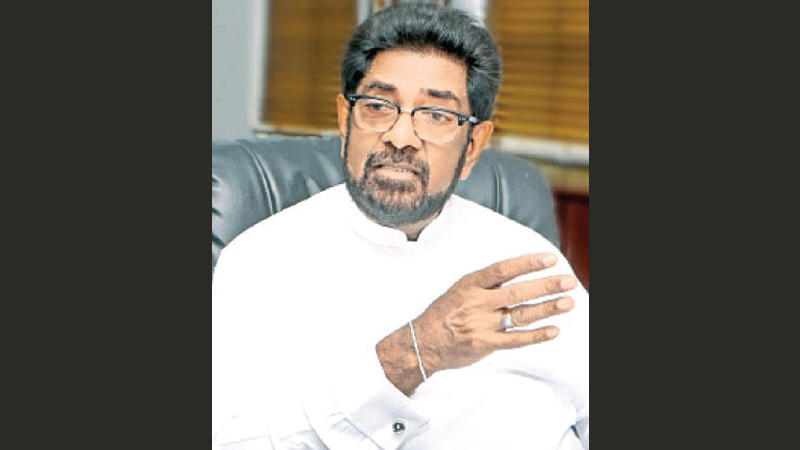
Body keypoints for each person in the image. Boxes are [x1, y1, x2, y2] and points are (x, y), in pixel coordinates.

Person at [212, 3, 588, 449]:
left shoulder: (527, 258)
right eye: (377, 106)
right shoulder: (261, 260)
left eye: (437, 115)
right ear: (345, 120)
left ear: (473, 146)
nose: (401, 136)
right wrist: (414, 352)